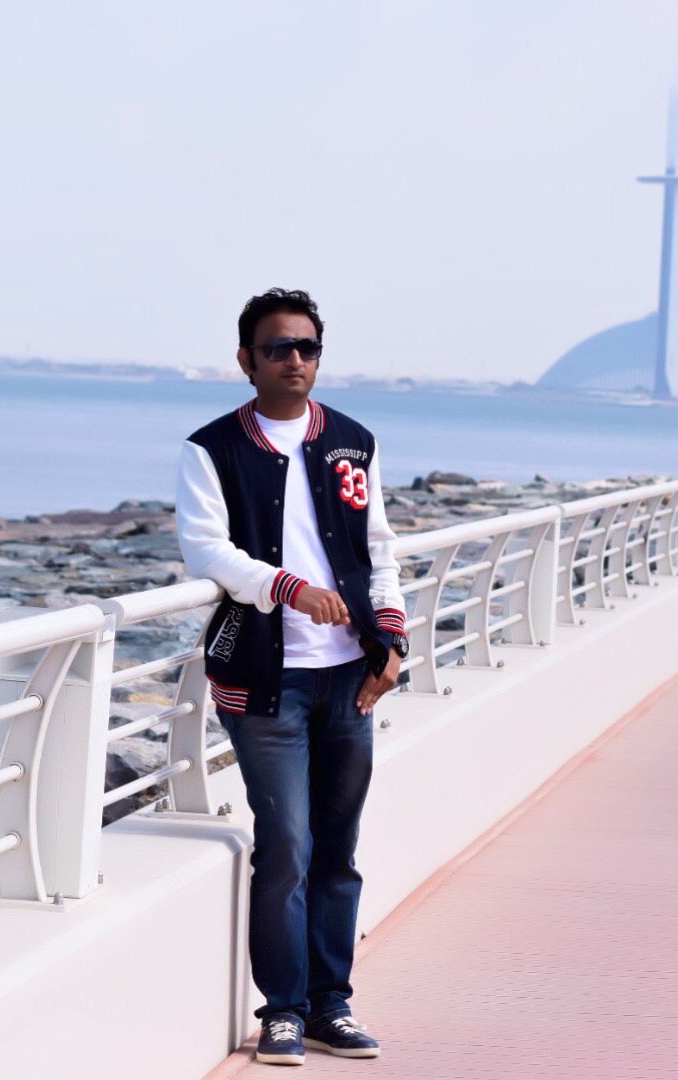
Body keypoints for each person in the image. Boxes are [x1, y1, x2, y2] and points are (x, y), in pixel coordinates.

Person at [176, 288, 407, 1066]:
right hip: (264, 681)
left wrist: (391, 641)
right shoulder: (212, 449)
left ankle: (330, 1007)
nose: (296, 360)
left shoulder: (353, 442)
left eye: (308, 347)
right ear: (247, 360)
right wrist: (287, 588)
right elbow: (206, 550)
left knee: (337, 850)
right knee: (287, 847)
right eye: (279, 348)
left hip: (349, 679)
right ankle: (282, 1009)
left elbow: (380, 551)